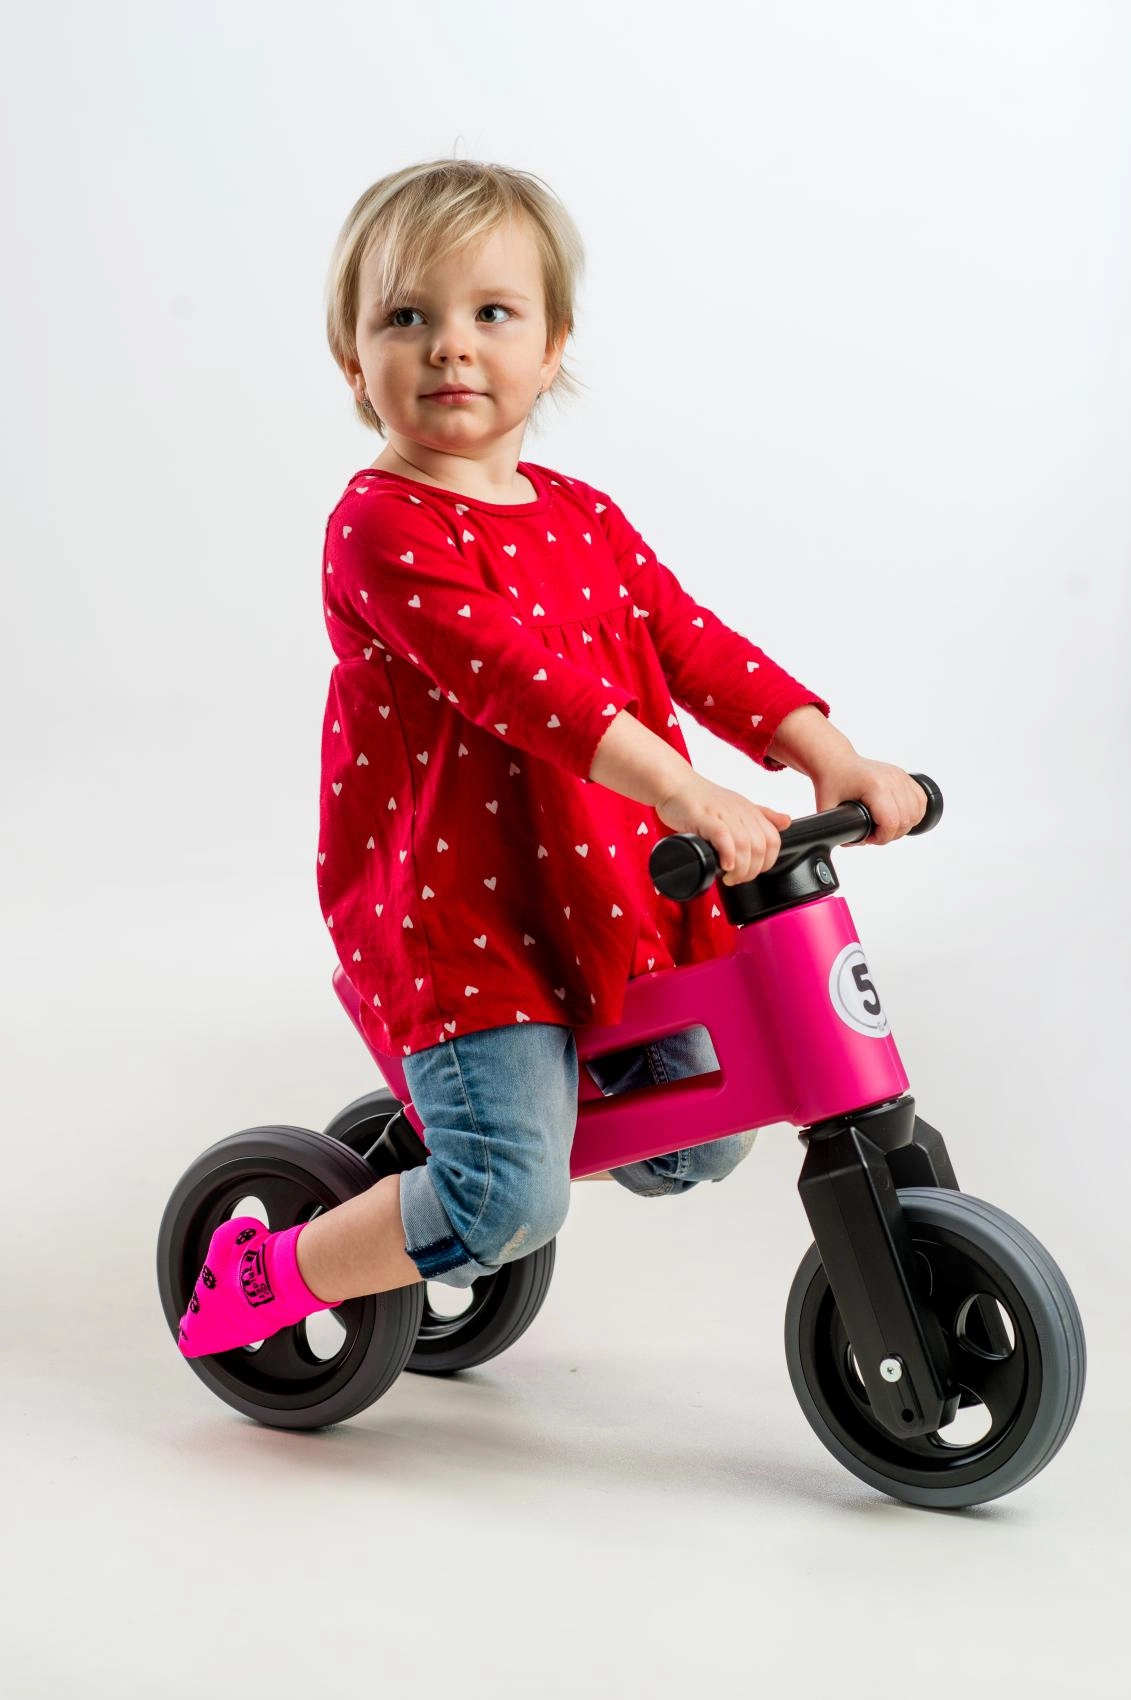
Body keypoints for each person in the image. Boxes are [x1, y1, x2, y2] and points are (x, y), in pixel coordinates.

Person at [177, 158, 927, 1360]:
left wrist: (826, 754)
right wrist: (684, 787)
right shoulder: (381, 525)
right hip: (467, 924)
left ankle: (470, 1158)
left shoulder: (584, 515)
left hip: (604, 889)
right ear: (352, 359)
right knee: (507, 1202)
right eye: (406, 317)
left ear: (553, 344)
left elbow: (693, 643)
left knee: (705, 1133)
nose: (450, 345)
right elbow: (521, 684)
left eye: (492, 312)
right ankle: (274, 1268)